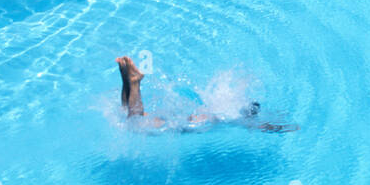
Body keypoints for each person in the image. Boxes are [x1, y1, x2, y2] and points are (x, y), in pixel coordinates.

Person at [115, 56, 296, 132]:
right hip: (186, 122)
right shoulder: (232, 118)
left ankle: (127, 80)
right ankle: (134, 82)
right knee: (135, 124)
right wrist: (283, 128)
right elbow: (262, 127)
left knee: (129, 117)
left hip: (186, 117)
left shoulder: (221, 111)